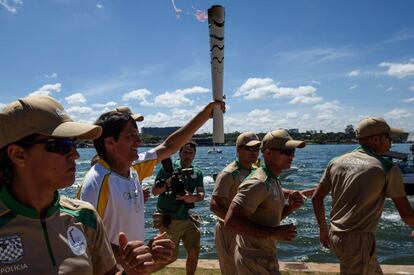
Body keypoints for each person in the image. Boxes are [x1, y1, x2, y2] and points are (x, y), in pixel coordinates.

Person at [0, 95, 173, 274]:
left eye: (74, 143)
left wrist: (133, 271)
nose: (75, 154)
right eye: (61, 145)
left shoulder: (84, 216)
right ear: (18, 154)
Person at [78, 101, 224, 261]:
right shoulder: (96, 182)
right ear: (109, 142)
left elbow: (169, 146)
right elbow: (84, 237)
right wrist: (133, 256)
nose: (139, 141)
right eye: (130, 136)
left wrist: (205, 114)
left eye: (137, 135)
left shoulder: (134, 168)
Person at [312, 117, 414, 275]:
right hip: (358, 240)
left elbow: (316, 197)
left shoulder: (336, 162)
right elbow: (406, 214)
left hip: (336, 235)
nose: (391, 142)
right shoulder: (386, 167)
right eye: (388, 137)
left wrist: (323, 230)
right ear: (375, 139)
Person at [224, 129, 307, 275]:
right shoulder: (258, 183)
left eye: (293, 151)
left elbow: (265, 219)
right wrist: (274, 232)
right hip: (252, 259)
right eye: (287, 152)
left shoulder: (273, 179)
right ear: (268, 153)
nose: (292, 156)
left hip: (264, 255)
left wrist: (289, 208)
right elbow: (231, 222)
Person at [210, 131, 261, 275]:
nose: (254, 152)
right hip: (230, 231)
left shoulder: (255, 171)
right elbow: (214, 205)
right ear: (238, 149)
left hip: (248, 229)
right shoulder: (228, 174)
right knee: (231, 270)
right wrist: (234, 222)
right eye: (249, 148)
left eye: (257, 148)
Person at [151, 141, 204, 275]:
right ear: (179, 153)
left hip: (186, 218)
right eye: (185, 152)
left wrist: (193, 197)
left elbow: (202, 194)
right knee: (169, 258)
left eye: (190, 153)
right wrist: (169, 183)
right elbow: (155, 191)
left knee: (194, 250)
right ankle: (140, 271)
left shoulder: (197, 172)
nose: (187, 155)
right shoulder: (168, 169)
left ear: (194, 155)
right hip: (169, 220)